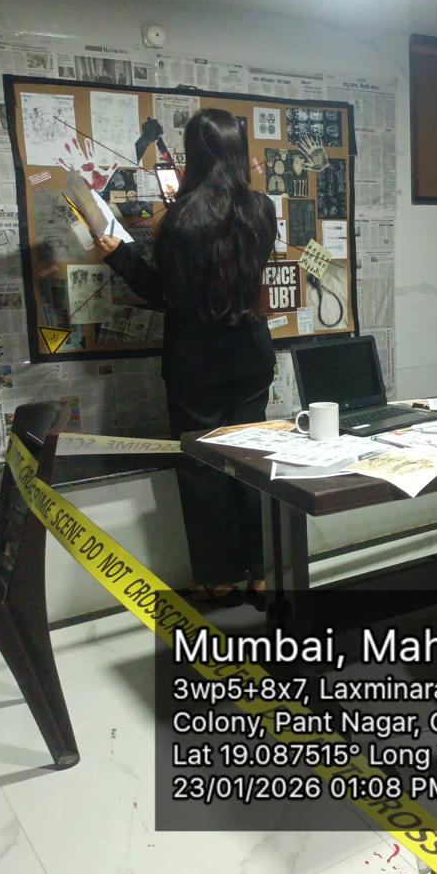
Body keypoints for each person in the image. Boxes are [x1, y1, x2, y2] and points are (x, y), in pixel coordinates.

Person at [94, 107, 275, 606]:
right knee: (252, 463)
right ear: (237, 151)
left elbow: (164, 294)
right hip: (250, 357)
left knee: (202, 471)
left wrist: (119, 255)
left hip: (195, 365)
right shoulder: (261, 209)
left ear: (195, 154)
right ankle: (264, 573)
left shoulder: (180, 218)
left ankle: (218, 578)